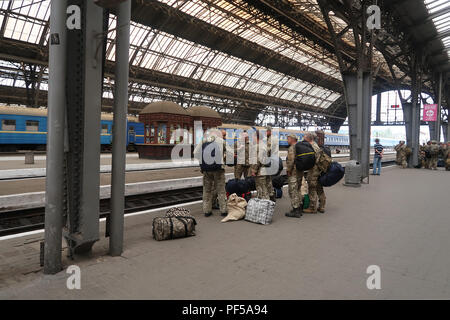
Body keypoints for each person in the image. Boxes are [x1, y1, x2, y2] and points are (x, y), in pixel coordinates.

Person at [194, 129, 231, 217]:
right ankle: (224, 210)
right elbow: (230, 152)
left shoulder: (203, 141)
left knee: (207, 190)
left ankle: (207, 211)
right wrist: (224, 158)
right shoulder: (221, 141)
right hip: (218, 169)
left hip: (206, 170)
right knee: (221, 190)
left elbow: (195, 153)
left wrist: (203, 161)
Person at [303, 132, 330, 214]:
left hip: (314, 170)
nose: (303, 138)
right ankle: (322, 206)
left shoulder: (311, 146)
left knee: (312, 188)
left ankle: (312, 208)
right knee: (319, 188)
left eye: (304, 137)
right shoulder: (317, 146)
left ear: (308, 138)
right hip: (319, 170)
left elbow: (311, 159)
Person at [285, 133, 303, 218]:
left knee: (292, 190)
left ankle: (296, 210)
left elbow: (291, 160)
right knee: (298, 189)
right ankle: (299, 208)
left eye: (288, 138)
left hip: (294, 172)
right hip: (299, 171)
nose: (287, 140)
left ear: (292, 139)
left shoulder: (292, 148)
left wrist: (288, 170)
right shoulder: (299, 146)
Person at [250, 129, 271, 200]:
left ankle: (264, 206)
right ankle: (267, 204)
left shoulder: (259, 146)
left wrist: (254, 170)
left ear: (257, 137)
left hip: (260, 172)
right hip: (266, 169)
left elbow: (258, 159)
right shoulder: (265, 145)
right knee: (266, 188)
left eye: (253, 136)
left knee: (261, 190)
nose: (252, 138)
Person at [264, 126, 276, 202]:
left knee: (267, 179)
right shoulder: (270, 138)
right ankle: (271, 195)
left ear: (269, 131)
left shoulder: (271, 139)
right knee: (268, 179)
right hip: (271, 160)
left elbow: (267, 149)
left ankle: (270, 196)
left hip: (269, 161)